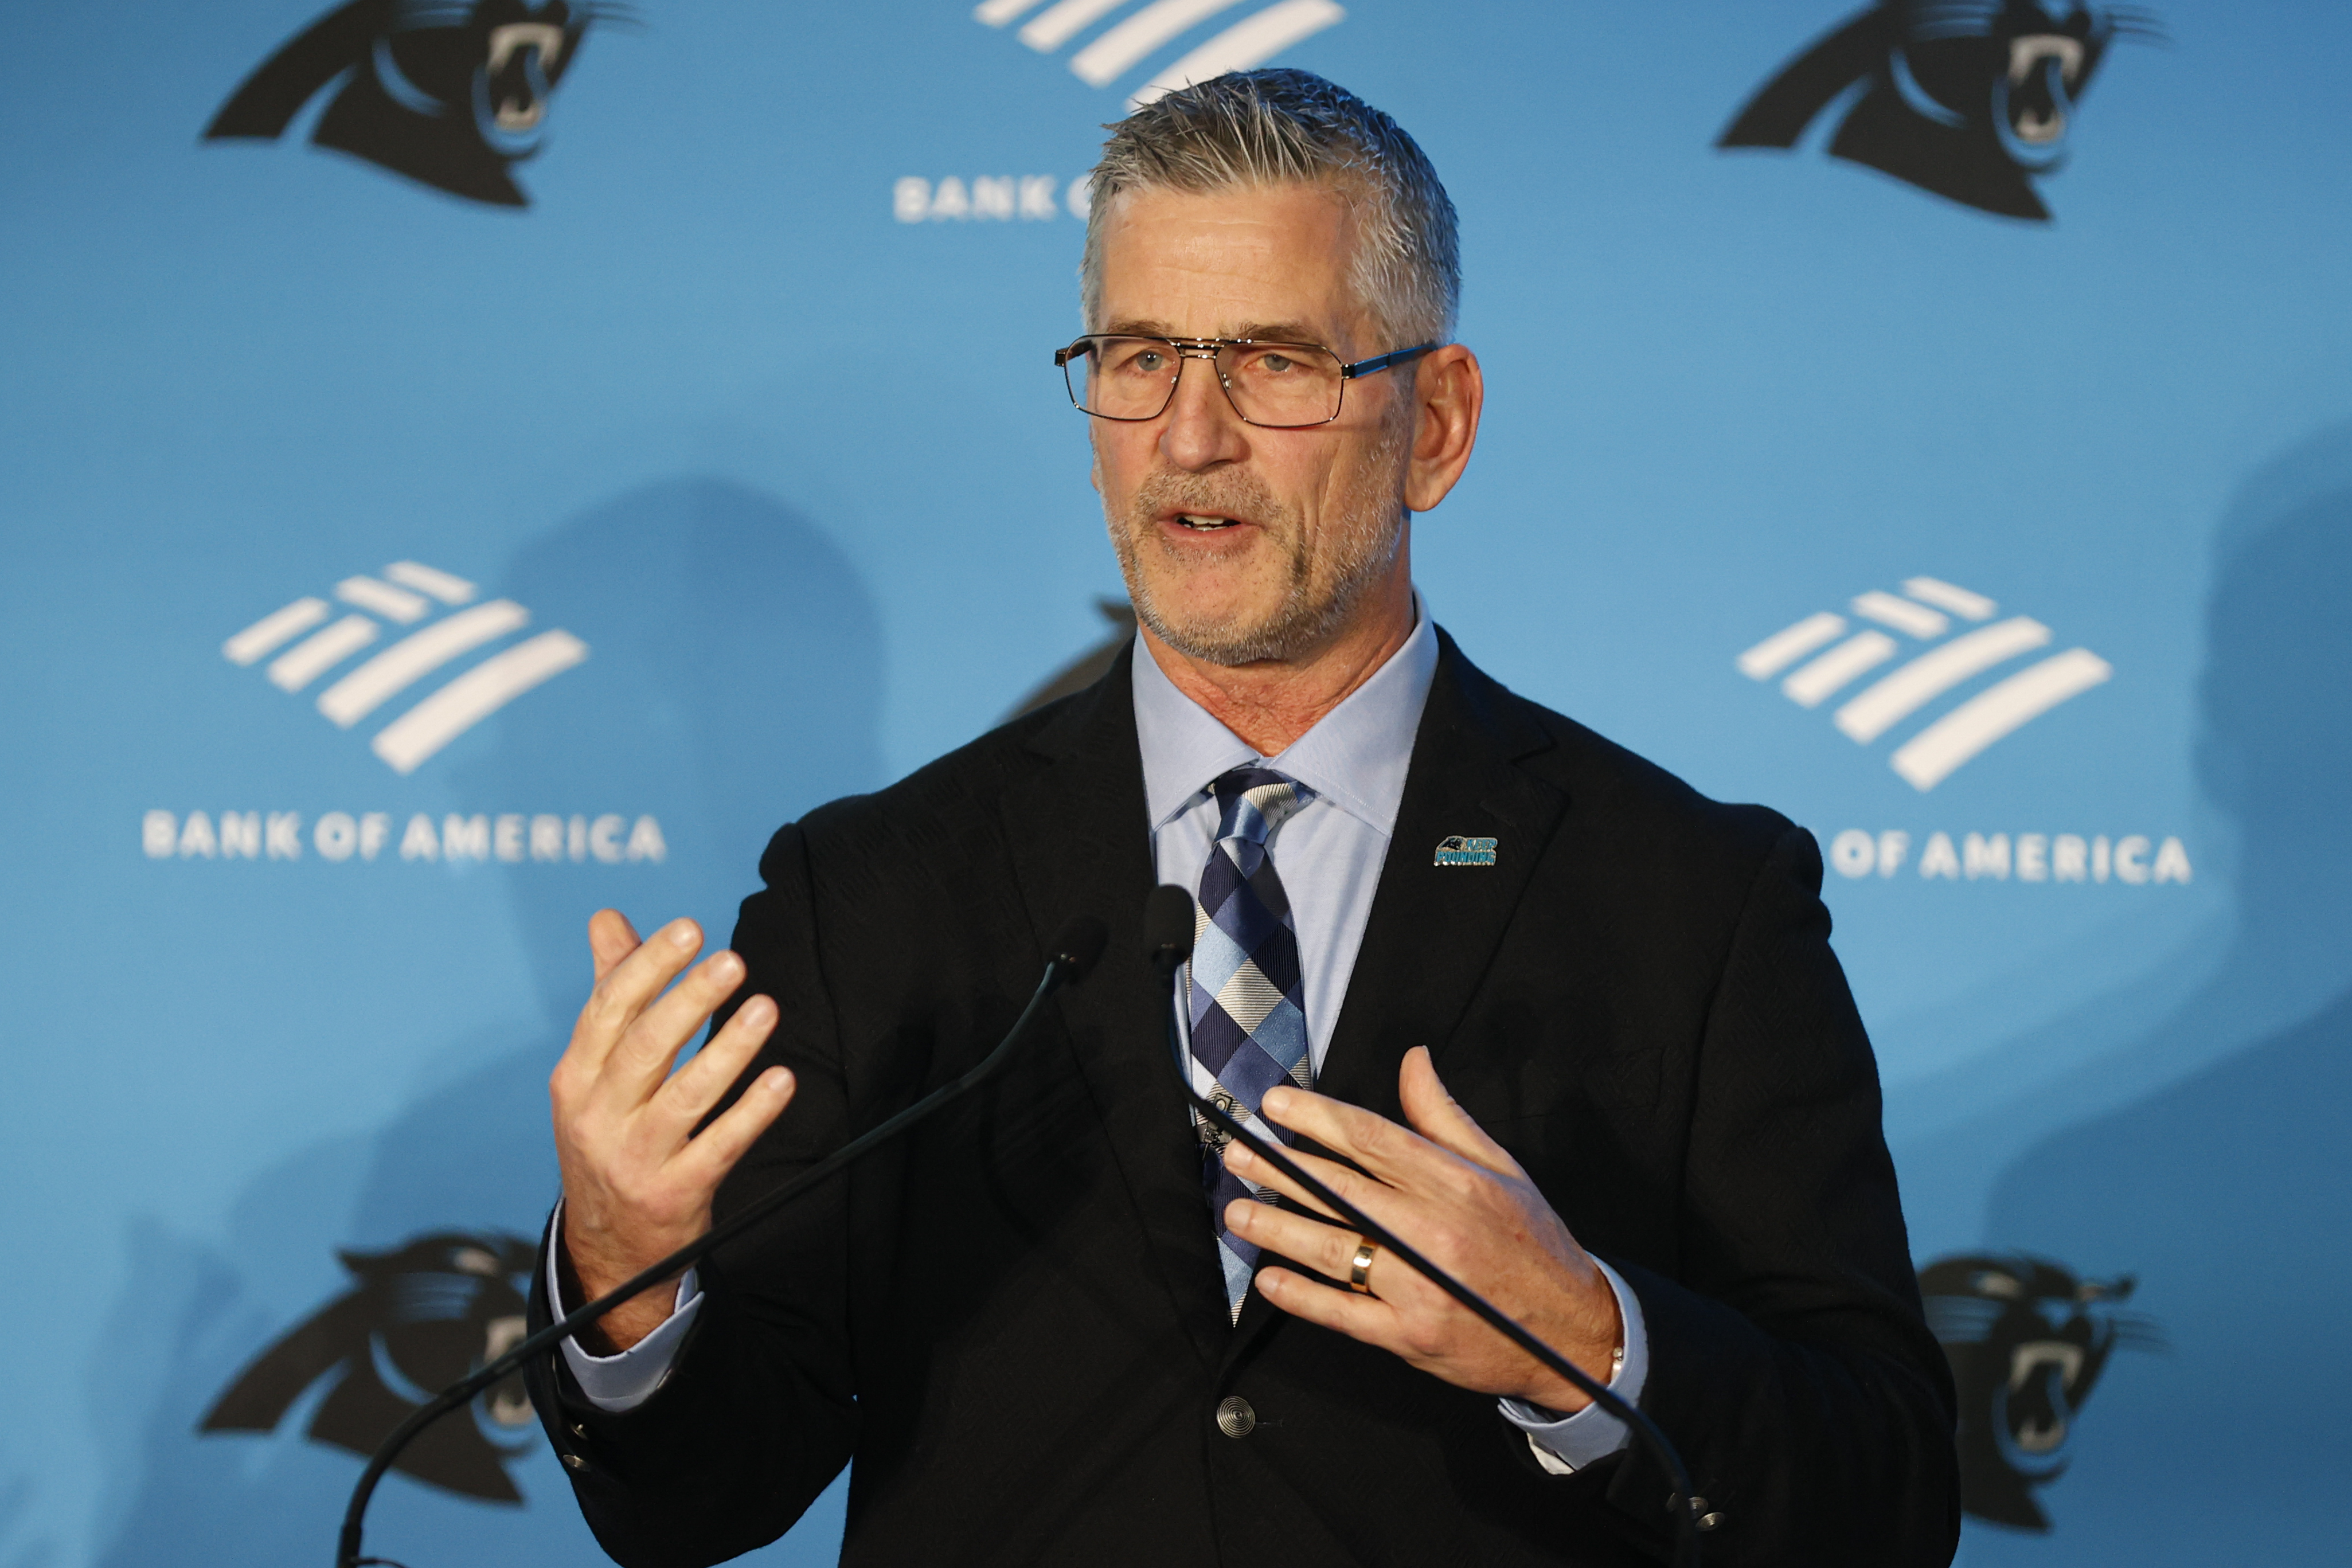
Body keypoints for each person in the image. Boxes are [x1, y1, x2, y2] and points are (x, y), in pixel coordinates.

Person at [525, 69, 1959, 1567]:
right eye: (1139, 358)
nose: (1190, 438)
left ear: (1438, 426)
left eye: (1274, 362)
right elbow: (693, 1503)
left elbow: (1887, 1504)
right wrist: (627, 1280)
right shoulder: (871, 893)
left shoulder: (1694, 902)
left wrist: (1586, 1345)